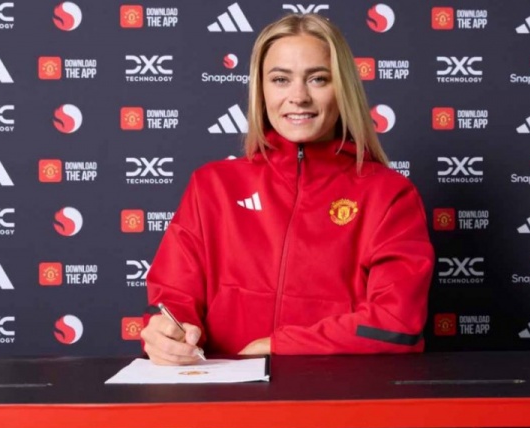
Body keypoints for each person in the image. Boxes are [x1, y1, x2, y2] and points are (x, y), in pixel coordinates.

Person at [140, 13, 434, 365]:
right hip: (225, 393)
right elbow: (174, 299)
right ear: (261, 90)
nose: (298, 97)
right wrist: (168, 334)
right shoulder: (212, 185)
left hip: (337, 394)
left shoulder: (389, 194)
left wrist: (279, 346)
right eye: (280, 79)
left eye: (318, 79)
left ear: (343, 88)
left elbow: (397, 322)